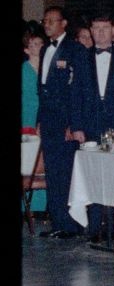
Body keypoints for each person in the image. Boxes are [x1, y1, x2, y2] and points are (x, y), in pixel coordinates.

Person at [69, 13, 114, 243]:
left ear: (113, 30)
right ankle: (95, 227)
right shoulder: (81, 58)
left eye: (104, 28)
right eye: (96, 28)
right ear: (90, 30)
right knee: (93, 175)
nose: (100, 33)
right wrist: (77, 126)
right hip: (90, 126)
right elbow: (75, 95)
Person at [36, 7, 87, 239]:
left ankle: (70, 224)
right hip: (48, 120)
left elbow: (78, 90)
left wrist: (74, 124)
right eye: (44, 21)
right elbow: (43, 90)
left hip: (65, 120)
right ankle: (57, 220)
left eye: (51, 21)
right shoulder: (46, 48)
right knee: (53, 173)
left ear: (63, 23)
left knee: (66, 172)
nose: (46, 25)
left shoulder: (75, 49)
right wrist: (39, 120)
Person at [22, 23, 48, 215]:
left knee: (44, 163)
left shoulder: (47, 69)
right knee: (29, 163)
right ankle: (27, 208)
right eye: (32, 44)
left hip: (44, 120)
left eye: (39, 43)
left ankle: (42, 207)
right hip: (27, 120)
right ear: (26, 48)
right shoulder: (23, 70)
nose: (36, 47)